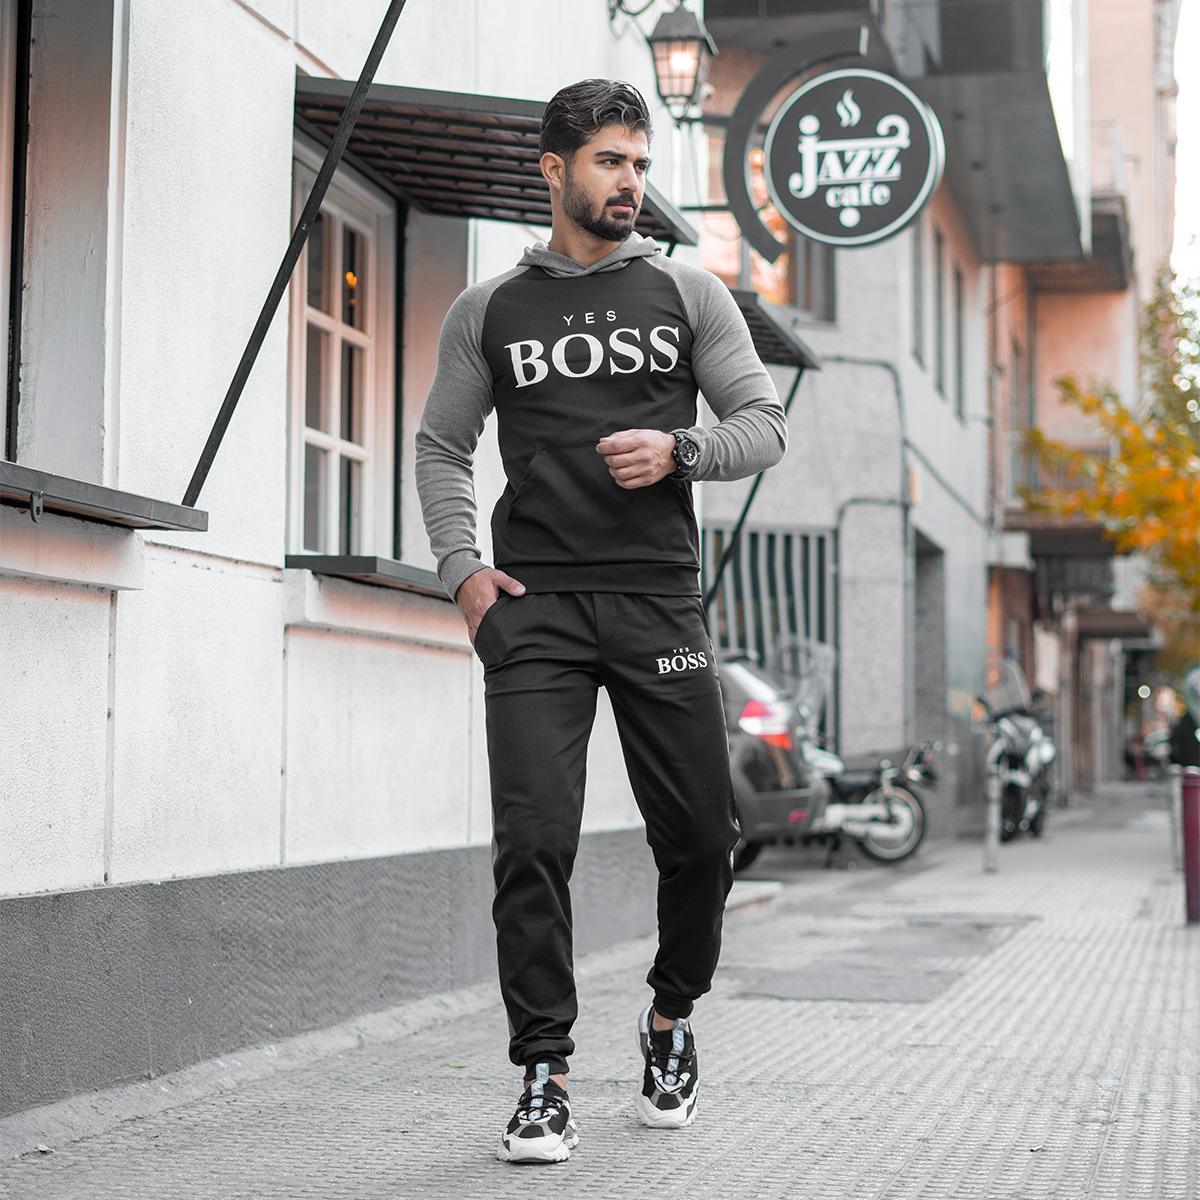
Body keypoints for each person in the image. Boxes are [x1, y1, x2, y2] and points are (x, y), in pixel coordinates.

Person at [415, 78, 786, 1163]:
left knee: (703, 839)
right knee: (534, 843)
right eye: (610, 161)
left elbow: (763, 424)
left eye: (640, 162)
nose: (631, 182)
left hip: (657, 598)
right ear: (555, 170)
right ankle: (544, 1073)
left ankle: (669, 1019)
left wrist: (682, 450)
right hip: (534, 608)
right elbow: (441, 446)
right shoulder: (489, 309)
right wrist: (463, 573)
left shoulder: (687, 292)